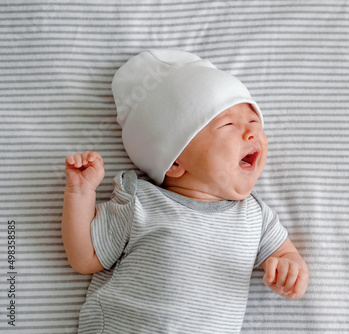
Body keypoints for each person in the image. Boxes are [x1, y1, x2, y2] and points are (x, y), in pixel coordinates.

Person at [62, 50, 309, 333]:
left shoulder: (256, 217)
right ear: (175, 161)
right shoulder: (140, 203)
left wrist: (291, 271)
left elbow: (288, 256)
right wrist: (81, 193)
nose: (251, 133)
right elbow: (86, 257)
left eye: (254, 122)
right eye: (229, 124)